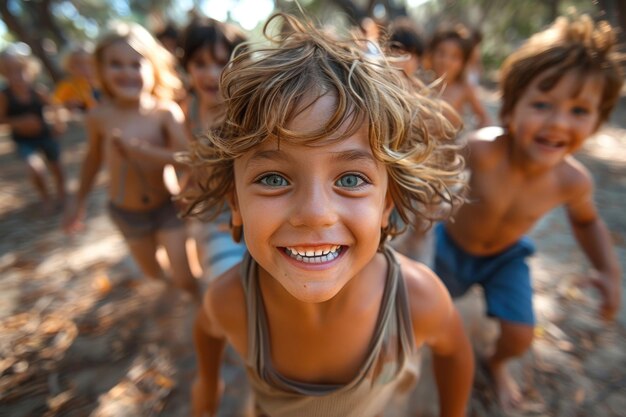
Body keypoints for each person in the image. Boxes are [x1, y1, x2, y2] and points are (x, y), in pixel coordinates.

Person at [186, 13, 474, 417]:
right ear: (234, 203)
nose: (315, 214)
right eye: (272, 178)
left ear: (387, 202)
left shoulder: (416, 301)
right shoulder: (231, 301)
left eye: (352, 179)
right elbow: (207, 335)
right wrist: (208, 391)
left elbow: (456, 354)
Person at [433, 14, 623, 410]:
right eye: (541, 104)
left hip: (505, 258)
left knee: (519, 334)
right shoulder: (482, 150)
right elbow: (434, 169)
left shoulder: (574, 182)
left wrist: (608, 270)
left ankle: (495, 363)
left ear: (598, 121)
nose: (557, 123)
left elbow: (587, 222)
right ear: (510, 106)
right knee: (425, 310)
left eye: (579, 111)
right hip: (449, 245)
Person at [63, 22, 199, 301]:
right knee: (153, 273)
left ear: (153, 68)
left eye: (136, 64)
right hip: (127, 213)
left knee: (185, 277)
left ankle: (200, 309)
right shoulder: (98, 118)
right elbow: (92, 161)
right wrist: (77, 202)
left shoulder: (164, 112)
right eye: (116, 64)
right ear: (100, 69)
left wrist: (144, 152)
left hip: (167, 207)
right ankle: (171, 292)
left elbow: (189, 159)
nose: (127, 72)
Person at [178, 17, 248, 280]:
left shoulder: (245, 111)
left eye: (221, 63)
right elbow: (194, 160)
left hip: (248, 211)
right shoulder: (190, 108)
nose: (210, 74)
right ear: (187, 65)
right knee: (222, 280)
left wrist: (238, 214)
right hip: (214, 215)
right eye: (200, 64)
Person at [0, 46, 66, 212]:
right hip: (24, 141)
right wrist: (18, 122)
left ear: (30, 69)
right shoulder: (4, 96)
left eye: (20, 70)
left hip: (45, 135)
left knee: (56, 166)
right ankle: (45, 198)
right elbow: (1, 119)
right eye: (10, 71)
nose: (17, 76)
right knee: (35, 167)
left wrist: (58, 124)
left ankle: (62, 195)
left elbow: (55, 106)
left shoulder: (38, 91)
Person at [427, 23, 491, 128]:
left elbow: (485, 119)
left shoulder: (464, 89)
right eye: (441, 53)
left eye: (454, 57)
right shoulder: (421, 84)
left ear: (463, 62)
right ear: (432, 54)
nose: (446, 61)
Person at [53, 45, 100, 113]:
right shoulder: (66, 87)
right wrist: (66, 107)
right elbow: (55, 108)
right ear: (69, 67)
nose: (85, 68)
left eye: (89, 62)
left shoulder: (105, 83)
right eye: (78, 64)